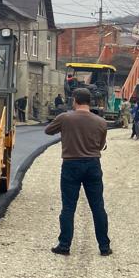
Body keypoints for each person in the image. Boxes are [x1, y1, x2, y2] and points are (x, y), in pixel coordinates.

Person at [44, 87, 111, 256]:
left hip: (71, 164)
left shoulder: (65, 118)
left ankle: (64, 245)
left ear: (75, 100)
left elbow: (48, 130)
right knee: (97, 207)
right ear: (90, 102)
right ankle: (104, 247)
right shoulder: (101, 122)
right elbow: (101, 145)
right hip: (93, 165)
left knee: (68, 207)